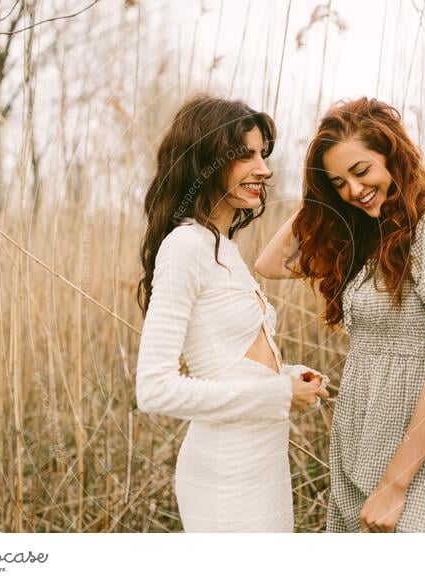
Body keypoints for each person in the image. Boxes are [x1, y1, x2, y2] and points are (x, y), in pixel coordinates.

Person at [255, 97, 425, 532]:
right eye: (338, 183)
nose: (354, 190)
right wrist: (320, 199)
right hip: (360, 443)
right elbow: (270, 264)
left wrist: (395, 485)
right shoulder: (365, 240)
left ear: (393, 155)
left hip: (420, 460)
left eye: (361, 171)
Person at [135, 94, 330, 532]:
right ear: (203, 161)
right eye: (245, 155)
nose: (263, 168)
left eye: (263, 154)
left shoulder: (223, 247)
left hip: (264, 466)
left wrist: (288, 379)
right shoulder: (185, 247)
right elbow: (154, 389)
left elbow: (232, 365)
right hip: (226, 477)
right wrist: (277, 396)